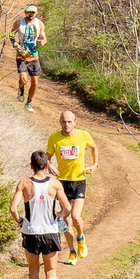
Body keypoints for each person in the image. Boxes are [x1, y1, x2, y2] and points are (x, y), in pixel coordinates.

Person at [12, 150, 66, 279]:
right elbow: (68, 208)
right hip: (49, 231)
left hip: (30, 233)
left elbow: (13, 208)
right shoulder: (55, 184)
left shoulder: (24, 184)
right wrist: (58, 215)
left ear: (31, 166)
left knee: (33, 269)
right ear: (47, 166)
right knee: (51, 270)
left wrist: (20, 221)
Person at [47, 107, 98, 265]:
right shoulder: (54, 138)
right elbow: (46, 157)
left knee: (75, 216)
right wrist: (49, 166)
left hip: (79, 181)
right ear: (60, 122)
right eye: (63, 121)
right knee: (65, 219)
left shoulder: (83, 135)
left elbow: (94, 147)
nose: (66, 124)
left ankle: (81, 238)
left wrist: (95, 164)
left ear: (75, 122)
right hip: (61, 183)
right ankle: (72, 252)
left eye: (69, 122)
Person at [13, 3, 46, 106]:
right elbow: (11, 34)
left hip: (33, 55)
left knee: (35, 82)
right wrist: (15, 44)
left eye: (33, 12)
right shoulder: (19, 23)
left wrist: (43, 41)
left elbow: (43, 37)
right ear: (25, 12)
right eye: (29, 12)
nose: (31, 14)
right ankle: (21, 88)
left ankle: (29, 102)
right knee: (24, 80)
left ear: (36, 13)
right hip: (21, 54)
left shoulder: (39, 24)